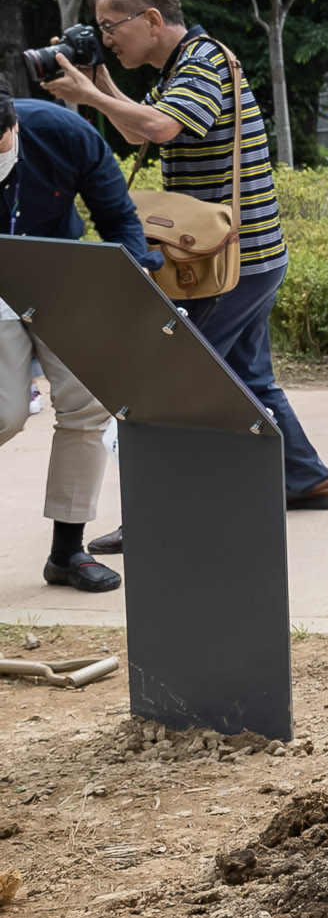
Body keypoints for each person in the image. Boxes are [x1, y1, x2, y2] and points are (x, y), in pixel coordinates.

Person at [40, 0, 328, 516]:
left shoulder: (204, 62)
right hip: (244, 256)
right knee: (251, 377)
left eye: (112, 27)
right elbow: (140, 128)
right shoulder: (182, 65)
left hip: (231, 260)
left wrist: (89, 92)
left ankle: (157, 519)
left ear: (152, 20)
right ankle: (307, 480)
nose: (107, 37)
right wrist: (99, 82)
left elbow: (161, 129)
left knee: (164, 381)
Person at [0, 91, 150, 591]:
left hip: (57, 275)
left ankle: (67, 552)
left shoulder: (65, 133)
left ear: (13, 124)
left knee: (88, 404)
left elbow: (120, 221)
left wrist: (125, 290)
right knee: (5, 415)